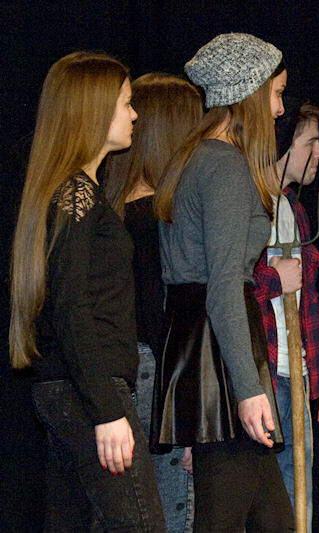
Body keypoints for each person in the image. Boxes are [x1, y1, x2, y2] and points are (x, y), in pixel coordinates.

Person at [8, 51, 166, 531]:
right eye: (126, 103)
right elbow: (70, 307)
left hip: (70, 389)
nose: (134, 115)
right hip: (88, 390)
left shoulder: (75, 191)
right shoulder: (75, 193)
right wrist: (107, 410)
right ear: (93, 111)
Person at [152, 33, 293, 531]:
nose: (280, 110)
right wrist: (248, 389)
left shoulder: (192, 159)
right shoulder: (225, 167)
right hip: (221, 352)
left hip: (203, 346)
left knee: (272, 519)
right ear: (249, 93)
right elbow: (225, 286)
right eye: (276, 94)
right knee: (224, 519)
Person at [104, 72, 203, 532]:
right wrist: (188, 418)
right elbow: (169, 323)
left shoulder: (111, 212)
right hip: (160, 377)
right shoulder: (161, 220)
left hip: (128, 376)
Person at [253, 99, 319, 529]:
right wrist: (273, 278)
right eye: (311, 142)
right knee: (262, 510)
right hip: (260, 380)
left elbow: (310, 302)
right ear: (282, 144)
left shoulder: (294, 209)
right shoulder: (247, 201)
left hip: (297, 376)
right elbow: (222, 289)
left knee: (298, 511)